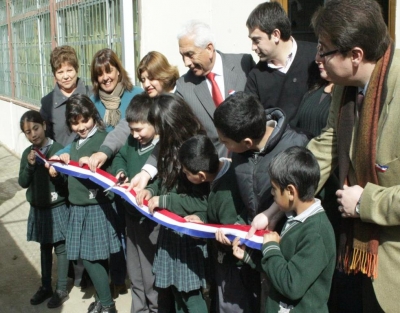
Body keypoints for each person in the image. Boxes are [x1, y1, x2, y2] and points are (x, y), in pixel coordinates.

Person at [252, 0, 398, 311]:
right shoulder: (346, 88)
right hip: (356, 254)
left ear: (356, 55)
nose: (317, 58)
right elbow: (326, 147)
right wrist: (274, 210)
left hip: (390, 267)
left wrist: (365, 202)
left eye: (325, 50)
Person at [232, 146, 336, 313]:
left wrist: (271, 247)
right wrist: (249, 257)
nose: (272, 193)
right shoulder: (294, 218)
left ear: (290, 191)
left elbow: (290, 285)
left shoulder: (316, 233)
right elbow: (281, 267)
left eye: (274, 188)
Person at [136, 94, 209, 313]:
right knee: (177, 292)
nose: (157, 133)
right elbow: (164, 182)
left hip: (188, 234)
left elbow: (201, 201)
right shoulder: (168, 147)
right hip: (171, 231)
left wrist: (165, 200)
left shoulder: (196, 150)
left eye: (159, 127)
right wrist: (151, 190)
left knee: (191, 296)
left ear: (173, 123)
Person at [50, 94, 120, 313]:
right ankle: (101, 300)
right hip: (79, 207)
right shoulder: (76, 142)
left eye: (84, 120)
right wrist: (62, 161)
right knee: (93, 258)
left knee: (91, 258)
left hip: (95, 207)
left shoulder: (103, 138)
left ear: (93, 116)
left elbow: (110, 170)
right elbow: (71, 163)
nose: (80, 126)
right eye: (75, 122)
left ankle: (108, 304)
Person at [179, 134, 259, 313]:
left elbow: (232, 233)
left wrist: (222, 239)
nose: (184, 175)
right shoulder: (227, 167)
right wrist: (203, 222)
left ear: (200, 175)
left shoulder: (225, 194)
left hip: (234, 267)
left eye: (186, 173)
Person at [88, 48, 143, 298]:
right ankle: (118, 278)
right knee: (114, 229)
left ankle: (139, 279)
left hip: (131, 174)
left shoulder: (136, 95)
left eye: (109, 70)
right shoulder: (94, 102)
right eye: (100, 74)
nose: (106, 78)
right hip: (104, 176)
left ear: (118, 69)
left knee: (133, 230)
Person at [111, 93, 162, 313]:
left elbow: (164, 181)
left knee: (150, 272)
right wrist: (121, 171)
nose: (134, 135)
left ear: (155, 123)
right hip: (131, 218)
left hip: (151, 222)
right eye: (131, 129)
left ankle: (155, 308)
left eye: (139, 129)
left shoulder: (163, 150)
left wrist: (151, 191)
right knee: (135, 271)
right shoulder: (132, 141)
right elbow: (121, 157)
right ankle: (138, 308)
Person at [87, 51, 177, 172]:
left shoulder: (178, 99)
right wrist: (104, 152)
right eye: (143, 79)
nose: (146, 84)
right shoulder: (147, 99)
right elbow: (124, 127)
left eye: (151, 78)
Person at [176, 20, 255, 157]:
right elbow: (173, 130)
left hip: (251, 159)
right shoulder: (184, 86)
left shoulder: (244, 65)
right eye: (182, 56)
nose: (186, 63)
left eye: (190, 54)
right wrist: (147, 171)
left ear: (209, 49)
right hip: (215, 168)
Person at [18, 110, 70, 308]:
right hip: (39, 208)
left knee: (61, 247)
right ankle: (46, 286)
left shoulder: (58, 149)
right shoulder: (28, 154)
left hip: (56, 207)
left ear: (44, 126)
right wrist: (30, 166)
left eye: (36, 128)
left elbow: (66, 183)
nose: (33, 134)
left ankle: (61, 288)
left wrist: (56, 175)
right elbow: (23, 182)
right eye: (27, 132)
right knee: (44, 247)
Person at [245, 1, 317, 126]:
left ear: (276, 35)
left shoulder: (315, 58)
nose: (253, 47)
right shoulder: (256, 76)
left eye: (256, 40)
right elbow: (252, 122)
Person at [40, 45, 91, 147]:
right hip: (60, 160)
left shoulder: (91, 94)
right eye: (60, 72)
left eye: (69, 70)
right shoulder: (48, 103)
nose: (66, 76)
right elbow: (44, 139)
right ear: (54, 75)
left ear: (77, 69)